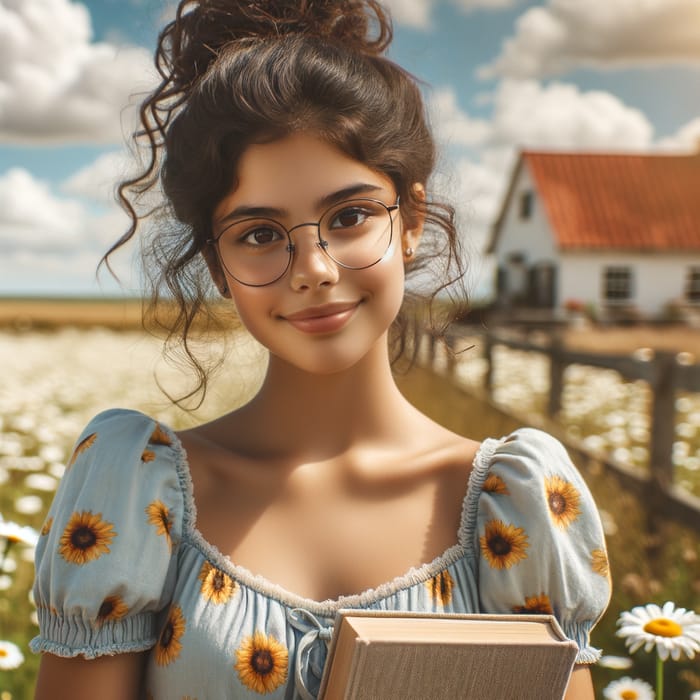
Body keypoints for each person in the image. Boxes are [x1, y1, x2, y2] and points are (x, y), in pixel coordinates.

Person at [31, 1, 611, 698]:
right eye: (259, 233)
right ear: (217, 266)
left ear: (413, 222)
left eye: (349, 217)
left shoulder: (515, 507)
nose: (315, 268)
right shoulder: (135, 497)